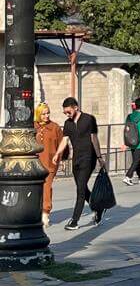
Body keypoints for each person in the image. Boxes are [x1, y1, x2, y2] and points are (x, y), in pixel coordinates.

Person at [53, 97, 107, 230]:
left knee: (80, 190)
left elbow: (94, 139)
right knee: (82, 188)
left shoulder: (89, 119)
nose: (67, 115)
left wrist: (99, 157)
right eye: (65, 113)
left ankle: (74, 221)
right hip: (76, 159)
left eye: (68, 112)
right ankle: (98, 209)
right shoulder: (68, 124)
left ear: (76, 107)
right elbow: (65, 140)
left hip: (89, 158)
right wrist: (57, 154)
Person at [35, 102, 62, 226]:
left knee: (46, 187)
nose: (46, 116)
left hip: (50, 162)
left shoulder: (55, 127)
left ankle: (45, 213)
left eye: (48, 113)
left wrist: (61, 160)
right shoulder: (33, 127)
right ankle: (35, 212)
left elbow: (62, 145)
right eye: (43, 114)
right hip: (35, 163)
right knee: (35, 188)